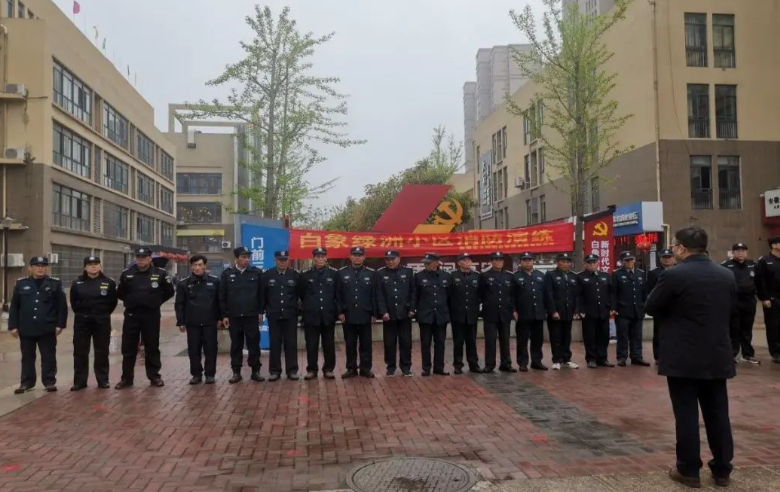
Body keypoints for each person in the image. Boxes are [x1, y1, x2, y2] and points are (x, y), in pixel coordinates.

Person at [645, 226, 735, 488]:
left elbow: (652, 306)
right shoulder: (726, 274)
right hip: (717, 354)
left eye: (674, 245)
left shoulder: (673, 275)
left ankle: (688, 469)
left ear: (682, 248)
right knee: (718, 414)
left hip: (683, 356)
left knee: (686, 414)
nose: (673, 249)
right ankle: (722, 469)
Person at [116, 247, 175, 389]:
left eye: (144, 257)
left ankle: (154, 376)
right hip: (132, 314)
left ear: (150, 258)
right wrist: (132, 301)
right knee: (128, 347)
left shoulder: (160, 273)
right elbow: (121, 293)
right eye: (139, 257)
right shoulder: (127, 273)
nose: (141, 260)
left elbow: (169, 291)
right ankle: (127, 378)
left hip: (151, 314)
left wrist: (155, 301)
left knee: (152, 346)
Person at [8, 256, 67, 393]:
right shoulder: (21, 284)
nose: (40, 268)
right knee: (27, 357)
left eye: (43, 266)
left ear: (47, 268)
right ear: (30, 268)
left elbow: (62, 307)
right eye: (37, 266)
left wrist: (60, 325)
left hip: (47, 327)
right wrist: (13, 326)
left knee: (48, 357)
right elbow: (14, 307)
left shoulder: (55, 284)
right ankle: (27, 383)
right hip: (26, 327)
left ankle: (49, 382)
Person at [69, 256, 118, 391]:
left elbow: (112, 302)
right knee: (80, 352)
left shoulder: (109, 282)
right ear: (85, 267)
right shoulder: (77, 283)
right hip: (82, 321)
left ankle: (103, 380)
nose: (93, 266)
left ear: (100, 266)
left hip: (101, 320)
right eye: (90, 264)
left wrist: (102, 313)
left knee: (102, 351)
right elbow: (74, 303)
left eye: (96, 264)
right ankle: (80, 381)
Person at [219, 246, 264, 383]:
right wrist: (224, 315)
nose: (246, 259)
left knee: (253, 344)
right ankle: (236, 372)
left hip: (251, 315)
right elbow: (222, 296)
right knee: (236, 345)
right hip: (234, 316)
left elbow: (261, 295)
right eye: (243, 257)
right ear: (236, 258)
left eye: (248, 257)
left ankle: (255, 371)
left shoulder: (256, 273)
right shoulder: (227, 274)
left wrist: (260, 312)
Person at [175, 255, 221, 385]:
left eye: (200, 265)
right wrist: (181, 321)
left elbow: (219, 302)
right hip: (192, 323)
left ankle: (210, 374)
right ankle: (196, 374)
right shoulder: (184, 283)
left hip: (210, 322)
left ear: (205, 266)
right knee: (193, 350)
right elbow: (179, 304)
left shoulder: (215, 281)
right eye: (195, 265)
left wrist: (220, 318)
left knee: (211, 349)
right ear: (191, 267)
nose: (197, 268)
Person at [299, 247, 339, 380]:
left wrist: (336, 312)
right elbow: (302, 294)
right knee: (311, 344)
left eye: (322, 256)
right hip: (311, 315)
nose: (320, 259)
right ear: (313, 258)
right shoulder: (305, 274)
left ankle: (328, 369)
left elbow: (337, 294)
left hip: (328, 315)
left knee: (329, 344)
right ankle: (312, 370)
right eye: (317, 256)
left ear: (326, 258)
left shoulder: (334, 273)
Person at [261, 250, 301, 381]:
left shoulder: (295, 275)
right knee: (275, 343)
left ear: (288, 260)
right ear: (275, 261)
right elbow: (263, 296)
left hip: (290, 315)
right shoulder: (267, 275)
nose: (283, 262)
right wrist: (262, 311)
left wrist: (298, 311)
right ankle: (275, 371)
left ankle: (292, 370)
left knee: (291, 344)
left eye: (285, 260)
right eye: (280, 260)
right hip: (274, 315)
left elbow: (301, 295)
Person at [336, 246, 376, 378]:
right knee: (350, 343)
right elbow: (338, 295)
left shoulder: (371, 273)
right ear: (350, 257)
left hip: (365, 314)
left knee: (366, 344)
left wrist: (374, 313)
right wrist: (340, 312)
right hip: (348, 314)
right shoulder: (341, 273)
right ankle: (351, 368)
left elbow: (374, 295)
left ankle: (365, 368)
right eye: (354, 255)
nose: (357, 257)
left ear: (364, 257)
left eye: (360, 255)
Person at [375, 250, 416, 377]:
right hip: (389, 314)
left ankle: (406, 367)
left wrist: (412, 309)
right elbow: (379, 294)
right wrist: (383, 312)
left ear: (399, 259)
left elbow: (413, 292)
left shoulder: (408, 272)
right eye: (388, 259)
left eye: (393, 259)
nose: (390, 262)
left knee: (406, 341)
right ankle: (390, 367)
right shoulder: (380, 273)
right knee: (389, 342)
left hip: (405, 313)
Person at [413, 252, 451, 376]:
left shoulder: (446, 276)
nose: (426, 265)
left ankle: (439, 367)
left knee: (440, 342)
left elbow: (450, 296)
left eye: (428, 263)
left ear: (436, 263)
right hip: (425, 315)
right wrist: (413, 310)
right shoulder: (418, 276)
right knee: (425, 343)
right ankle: (426, 368)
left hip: (441, 315)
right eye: (425, 263)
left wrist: (449, 313)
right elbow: (415, 296)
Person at [722, 243, 759, 365]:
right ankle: (732, 354)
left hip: (749, 302)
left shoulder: (753, 265)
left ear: (746, 252)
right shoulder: (726, 266)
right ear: (733, 253)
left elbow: (759, 282)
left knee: (747, 328)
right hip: (734, 302)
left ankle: (748, 354)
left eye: (743, 251)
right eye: (738, 251)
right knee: (733, 328)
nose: (741, 253)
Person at [612, 251, 650, 367]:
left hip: (637, 309)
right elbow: (613, 293)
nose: (629, 262)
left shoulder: (641, 273)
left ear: (634, 260)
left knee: (637, 335)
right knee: (622, 335)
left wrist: (645, 306)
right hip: (623, 310)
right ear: (622, 262)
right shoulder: (617, 274)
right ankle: (622, 357)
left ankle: (637, 356)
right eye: (627, 260)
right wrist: (614, 308)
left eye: (631, 259)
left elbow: (644, 292)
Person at [480, 251, 516, 373]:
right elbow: (481, 294)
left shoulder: (509, 276)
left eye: (500, 259)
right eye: (496, 259)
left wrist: (513, 310)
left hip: (505, 313)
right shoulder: (484, 276)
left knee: (505, 339)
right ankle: (489, 364)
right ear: (491, 261)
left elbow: (512, 295)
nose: (498, 262)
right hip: (490, 313)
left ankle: (506, 363)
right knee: (490, 340)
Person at [576, 254, 614, 369]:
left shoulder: (605, 276)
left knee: (604, 336)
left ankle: (602, 358)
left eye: (594, 262)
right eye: (589, 263)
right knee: (590, 337)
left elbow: (611, 293)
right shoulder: (580, 277)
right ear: (585, 264)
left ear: (598, 263)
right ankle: (591, 359)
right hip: (588, 312)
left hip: (603, 311)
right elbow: (578, 295)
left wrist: (612, 307)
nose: (592, 265)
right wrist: (580, 309)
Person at [513, 252, 548, 371]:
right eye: (525, 260)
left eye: (529, 260)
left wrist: (546, 310)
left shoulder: (540, 275)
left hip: (538, 313)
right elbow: (511, 296)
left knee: (537, 339)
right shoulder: (516, 276)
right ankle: (522, 363)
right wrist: (514, 310)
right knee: (522, 340)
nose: (527, 262)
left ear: (533, 261)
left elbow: (545, 294)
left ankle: (536, 361)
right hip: (523, 314)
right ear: (520, 262)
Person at [448, 252, 481, 374]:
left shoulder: (477, 276)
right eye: (465, 260)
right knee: (458, 341)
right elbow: (449, 295)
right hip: (457, 314)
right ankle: (458, 365)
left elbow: (480, 294)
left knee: (471, 341)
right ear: (459, 262)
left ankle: (473, 365)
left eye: (469, 260)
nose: (468, 262)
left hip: (472, 314)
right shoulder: (452, 276)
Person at [544, 253, 578, 370]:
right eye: (563, 261)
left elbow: (575, 295)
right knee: (556, 337)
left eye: (568, 262)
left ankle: (567, 359)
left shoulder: (573, 276)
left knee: (567, 337)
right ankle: (557, 360)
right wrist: (553, 311)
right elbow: (549, 294)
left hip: (568, 312)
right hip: (556, 312)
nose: (566, 264)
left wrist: (575, 310)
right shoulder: (550, 275)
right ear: (557, 262)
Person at [753, 237, 780, 364]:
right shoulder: (764, 260)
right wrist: (764, 297)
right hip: (772, 298)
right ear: (774, 245)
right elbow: (760, 280)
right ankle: (776, 352)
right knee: (773, 326)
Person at [648, 248, 676, 364]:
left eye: (669, 257)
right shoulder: (653, 273)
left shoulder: (680, 270)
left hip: (676, 308)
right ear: (660, 259)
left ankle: (674, 355)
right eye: (664, 257)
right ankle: (658, 356)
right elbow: (649, 291)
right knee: (659, 333)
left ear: (673, 258)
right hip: (660, 308)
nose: (666, 260)